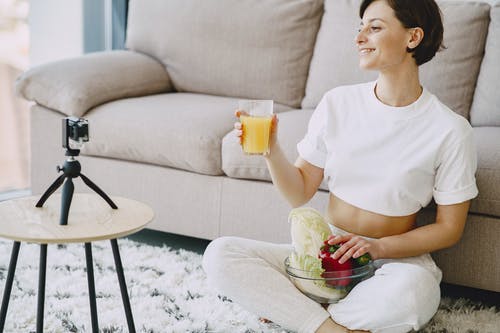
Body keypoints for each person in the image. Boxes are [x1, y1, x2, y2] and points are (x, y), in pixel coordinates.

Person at [202, 0, 479, 332]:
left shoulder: (449, 129)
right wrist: (271, 150)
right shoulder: (338, 103)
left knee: (412, 296)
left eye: (374, 27)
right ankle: (333, 324)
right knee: (221, 254)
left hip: (394, 261)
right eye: (359, 27)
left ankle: (305, 313)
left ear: (413, 37)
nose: (360, 37)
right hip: (323, 258)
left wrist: (378, 248)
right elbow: (299, 191)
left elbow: (449, 228)